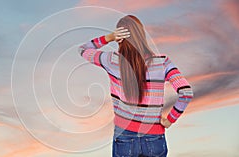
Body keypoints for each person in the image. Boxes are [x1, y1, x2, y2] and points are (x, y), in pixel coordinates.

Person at [78, 15, 193, 157]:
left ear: (120, 37)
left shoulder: (111, 60)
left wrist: (109, 37)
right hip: (154, 137)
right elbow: (186, 93)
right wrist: (170, 120)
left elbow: (83, 49)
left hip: (124, 137)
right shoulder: (162, 62)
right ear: (141, 34)